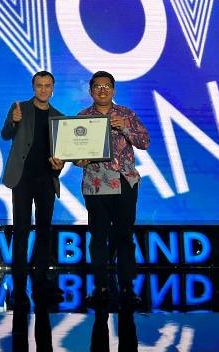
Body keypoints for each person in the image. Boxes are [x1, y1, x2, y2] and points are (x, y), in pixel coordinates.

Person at [75, 71, 150, 308]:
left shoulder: (127, 114)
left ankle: (127, 287)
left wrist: (126, 128)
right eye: (97, 86)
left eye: (107, 86)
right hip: (96, 185)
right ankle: (101, 287)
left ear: (113, 90)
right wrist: (79, 160)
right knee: (98, 238)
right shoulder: (83, 117)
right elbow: (75, 154)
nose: (102, 90)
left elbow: (145, 142)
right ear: (91, 91)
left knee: (124, 236)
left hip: (124, 183)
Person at [1, 71, 65, 304]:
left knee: (45, 231)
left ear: (53, 89)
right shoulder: (19, 108)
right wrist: (13, 121)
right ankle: (18, 285)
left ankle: (41, 280)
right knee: (21, 230)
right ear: (33, 87)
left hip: (46, 179)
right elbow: (5, 134)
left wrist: (60, 165)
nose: (43, 89)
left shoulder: (59, 117)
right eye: (39, 85)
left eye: (47, 85)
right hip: (22, 179)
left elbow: (62, 153)